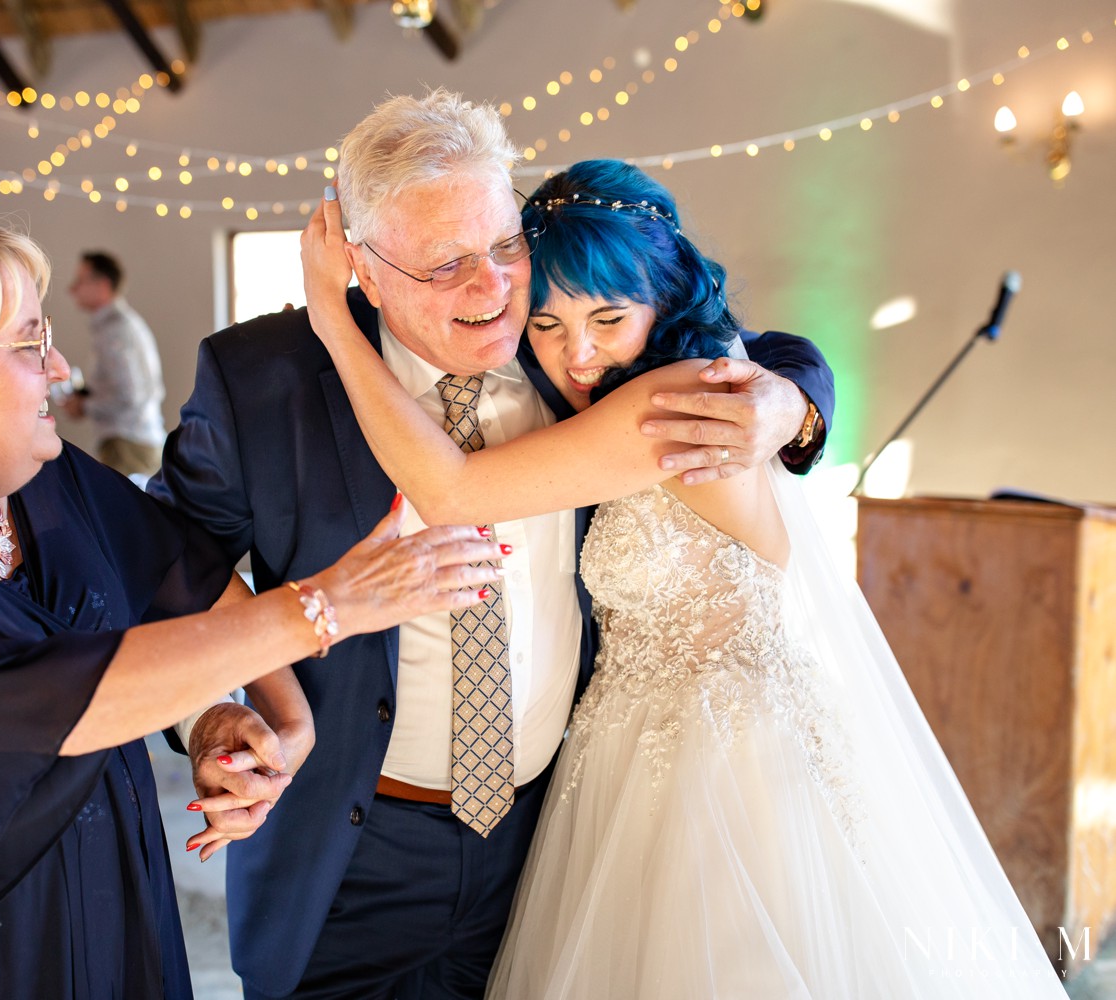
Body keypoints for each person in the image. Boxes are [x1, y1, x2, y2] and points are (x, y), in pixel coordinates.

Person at [301, 158, 1068, 997]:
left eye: (608, 317)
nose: (577, 353)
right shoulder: (641, 390)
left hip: (720, 760)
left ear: (664, 300)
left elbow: (450, 491)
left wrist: (335, 323)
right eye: (547, 325)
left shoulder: (669, 406)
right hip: (631, 746)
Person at [151, 89, 833, 999]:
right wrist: (219, 710)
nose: (494, 288)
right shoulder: (260, 381)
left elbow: (755, 346)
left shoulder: (579, 351)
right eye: (446, 264)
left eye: (505, 245)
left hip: (554, 844)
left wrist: (795, 401)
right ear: (362, 263)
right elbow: (162, 559)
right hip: (350, 856)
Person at [0, 210, 503, 999]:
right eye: (26, 344)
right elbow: (47, 703)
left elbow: (186, 575)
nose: (57, 368)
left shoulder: (46, 480)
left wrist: (263, 713)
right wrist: (326, 604)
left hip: (114, 893)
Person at [62, 250, 167, 478]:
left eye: (80, 280)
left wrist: (84, 406)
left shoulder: (116, 330)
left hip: (128, 445)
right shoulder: (118, 326)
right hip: (130, 441)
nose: (72, 289)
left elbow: (131, 396)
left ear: (102, 285)